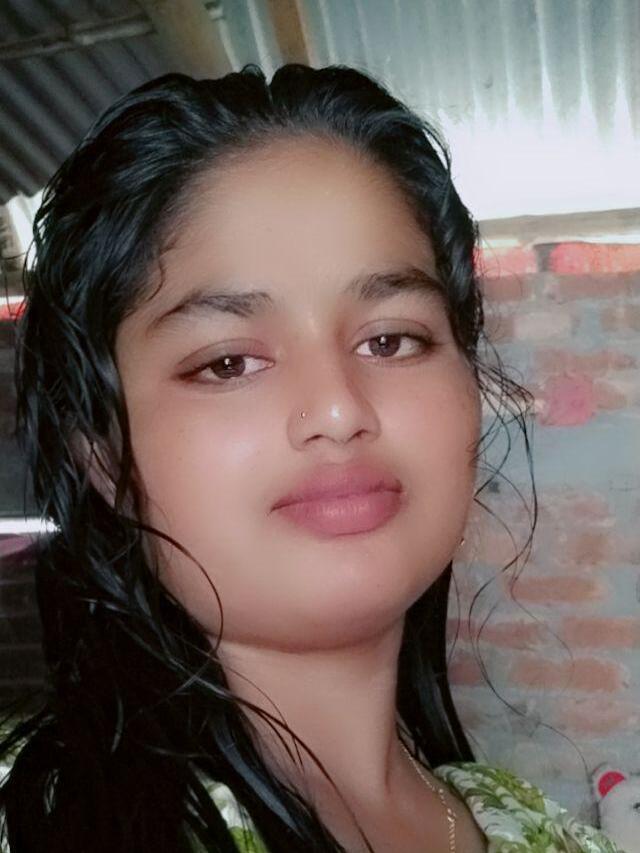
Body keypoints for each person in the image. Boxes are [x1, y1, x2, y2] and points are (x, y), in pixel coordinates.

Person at [0, 64, 618, 853]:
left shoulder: (543, 830)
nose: (338, 408)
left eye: (391, 340)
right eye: (228, 362)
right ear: (101, 453)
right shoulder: (44, 823)